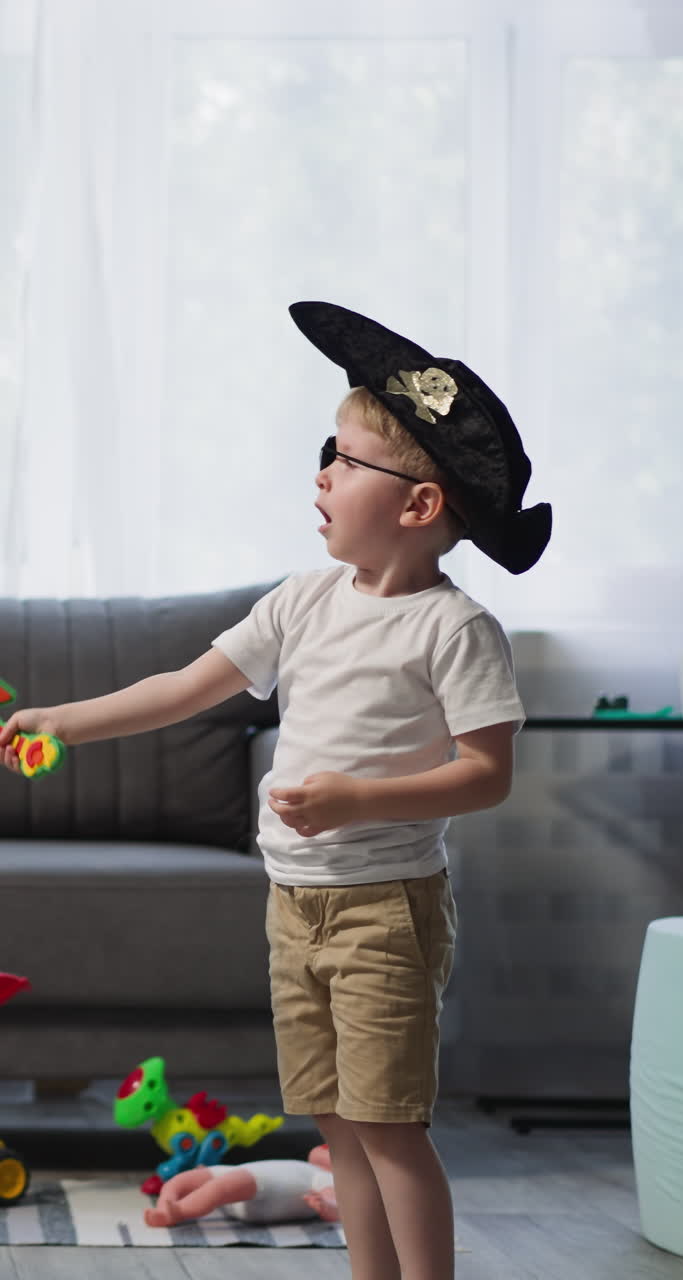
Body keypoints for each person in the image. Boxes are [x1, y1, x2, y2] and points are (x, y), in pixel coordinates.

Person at [0, 301, 551, 1280]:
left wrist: (356, 800)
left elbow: (487, 771)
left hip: (386, 909)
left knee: (389, 1127)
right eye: (324, 452)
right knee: (339, 1126)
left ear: (419, 505)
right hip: (293, 904)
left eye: (341, 460)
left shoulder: (454, 630)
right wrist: (67, 719)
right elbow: (187, 685)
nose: (321, 476)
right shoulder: (302, 598)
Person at [144, 1143, 338, 1228]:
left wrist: (326, 1206)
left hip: (264, 1191)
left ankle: (178, 1212)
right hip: (243, 1175)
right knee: (180, 1180)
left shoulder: (333, 1178)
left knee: (217, 1188)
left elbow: (339, 1208)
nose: (324, 1147)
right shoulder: (309, 1165)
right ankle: (164, 1206)